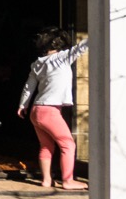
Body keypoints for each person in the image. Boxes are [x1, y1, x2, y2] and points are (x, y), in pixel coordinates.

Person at [16, 28, 88, 190]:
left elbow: (29, 87)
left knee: (46, 146)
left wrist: (23, 105)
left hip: (36, 110)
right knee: (67, 144)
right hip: (50, 110)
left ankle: (47, 180)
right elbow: (81, 47)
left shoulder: (37, 63)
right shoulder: (62, 58)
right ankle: (68, 180)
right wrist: (97, 33)